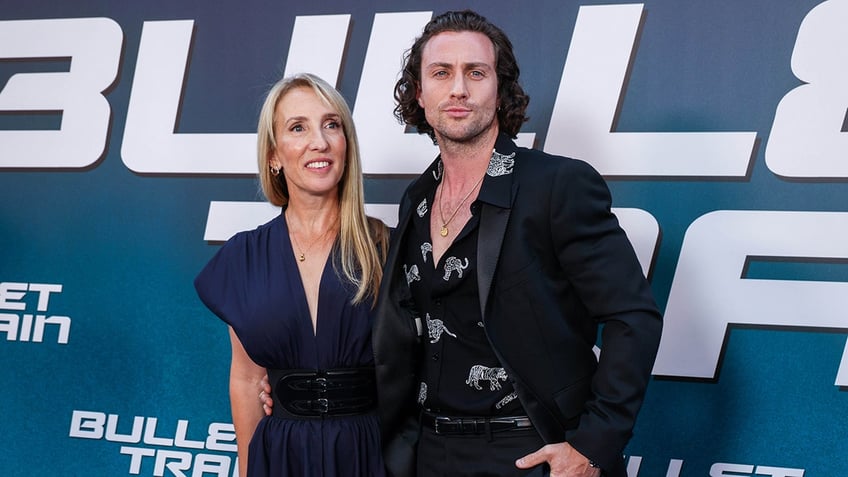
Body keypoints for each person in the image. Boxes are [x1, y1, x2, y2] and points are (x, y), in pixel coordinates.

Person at [371, 10, 663, 477]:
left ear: (500, 89)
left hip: (529, 451)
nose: (459, 88)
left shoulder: (556, 185)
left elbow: (634, 317)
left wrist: (592, 446)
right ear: (420, 96)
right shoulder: (417, 199)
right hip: (430, 453)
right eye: (441, 73)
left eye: (476, 72)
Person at [195, 73, 388, 477]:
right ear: (273, 156)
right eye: (298, 128)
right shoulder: (243, 257)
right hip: (280, 455)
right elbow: (248, 382)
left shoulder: (386, 246)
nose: (319, 141)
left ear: (346, 145)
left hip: (369, 452)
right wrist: (249, 470)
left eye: (331, 125)